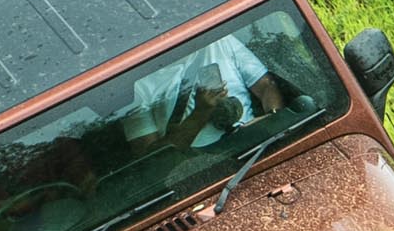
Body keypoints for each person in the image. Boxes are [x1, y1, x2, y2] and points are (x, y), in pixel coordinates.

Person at [121, 33, 284, 155]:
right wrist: (201, 112)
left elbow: (267, 86)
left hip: (254, 143)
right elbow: (150, 158)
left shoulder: (219, 40)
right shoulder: (137, 87)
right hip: (195, 167)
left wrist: (274, 119)